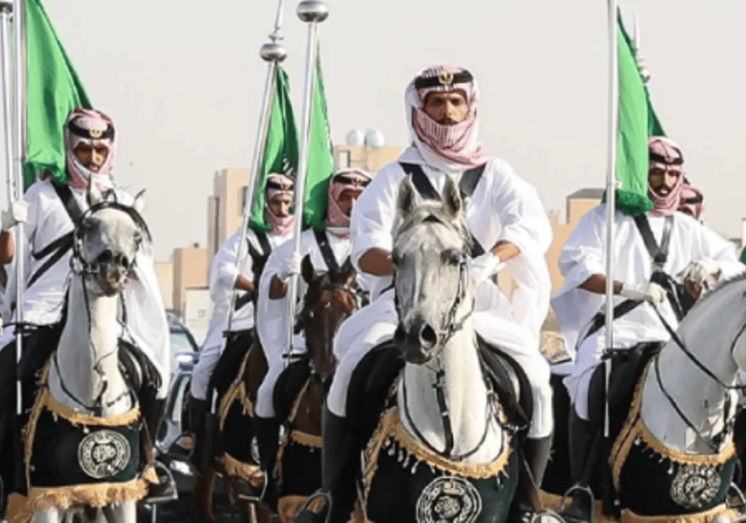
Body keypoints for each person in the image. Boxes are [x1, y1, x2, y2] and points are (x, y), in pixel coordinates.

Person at [305, 65, 555, 521]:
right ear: (419, 111)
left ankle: (528, 504)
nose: (447, 111)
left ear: (470, 106)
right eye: (436, 103)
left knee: (537, 376)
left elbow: (529, 225)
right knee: (351, 368)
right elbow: (365, 248)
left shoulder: (495, 173)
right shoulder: (392, 177)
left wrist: (488, 262)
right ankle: (334, 498)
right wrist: (413, 265)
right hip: (402, 306)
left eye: (455, 101)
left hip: (476, 305)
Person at [0, 109, 171, 511]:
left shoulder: (122, 202)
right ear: (68, 148)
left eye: (100, 150)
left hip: (108, 315)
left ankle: (148, 459)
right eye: (83, 150)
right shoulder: (40, 196)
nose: (92, 158)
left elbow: (139, 263)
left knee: (154, 377)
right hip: (43, 311)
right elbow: (10, 262)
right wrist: (7, 229)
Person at [552, 137, 744, 519]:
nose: (666, 183)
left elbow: (735, 264)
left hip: (672, 337)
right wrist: (628, 289)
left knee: (730, 392)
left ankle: (724, 479)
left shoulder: (688, 228)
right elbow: (577, 267)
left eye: (673, 175)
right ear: (641, 174)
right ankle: (584, 486)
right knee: (589, 389)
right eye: (657, 174)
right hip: (616, 332)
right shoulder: (605, 219)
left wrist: (713, 269)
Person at [251, 168, 372, 505]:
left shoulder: (375, 245)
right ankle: (267, 473)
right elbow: (273, 295)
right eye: (345, 198)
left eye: (359, 198)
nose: (352, 205)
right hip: (311, 345)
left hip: (363, 347)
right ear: (331, 200)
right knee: (267, 392)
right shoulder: (301, 244)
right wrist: (282, 275)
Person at [185, 173, 295, 469]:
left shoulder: (299, 240)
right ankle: (198, 438)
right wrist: (256, 286)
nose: (282, 209)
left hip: (288, 322)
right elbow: (222, 272)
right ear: (265, 203)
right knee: (204, 371)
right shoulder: (246, 237)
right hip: (244, 321)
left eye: (287, 202)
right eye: (276, 202)